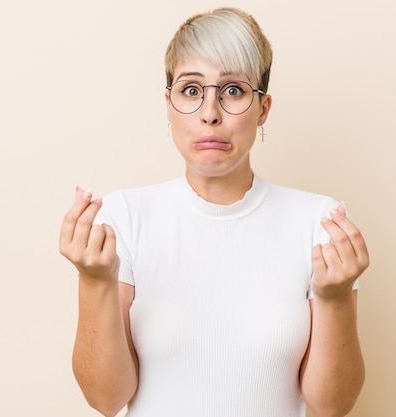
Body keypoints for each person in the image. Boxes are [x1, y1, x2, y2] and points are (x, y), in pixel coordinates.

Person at [59, 7, 369, 417]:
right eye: (191, 90)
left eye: (234, 90)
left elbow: (332, 406)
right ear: (168, 104)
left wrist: (336, 298)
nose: (210, 113)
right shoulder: (125, 218)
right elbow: (107, 399)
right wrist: (94, 280)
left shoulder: (318, 224)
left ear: (263, 109)